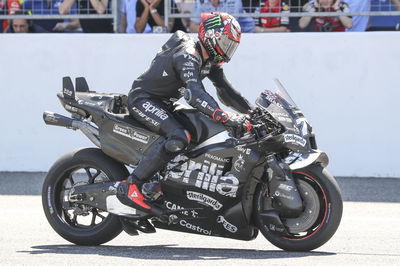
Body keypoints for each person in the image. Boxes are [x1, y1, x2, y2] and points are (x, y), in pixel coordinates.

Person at [116, 12, 253, 215]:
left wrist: (252, 112)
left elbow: (227, 91)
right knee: (178, 137)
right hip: (143, 100)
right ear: (211, 36)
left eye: (231, 44)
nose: (227, 48)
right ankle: (131, 186)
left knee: (200, 130)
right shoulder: (188, 54)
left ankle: (163, 183)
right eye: (225, 42)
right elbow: (194, 94)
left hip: (165, 104)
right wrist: (224, 116)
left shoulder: (210, 60)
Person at [189, 0, 255, 33]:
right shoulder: (201, 1)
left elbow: (230, 27)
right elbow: (192, 26)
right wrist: (211, 32)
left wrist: (208, 31)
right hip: (219, 36)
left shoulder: (233, 1)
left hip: (247, 31)